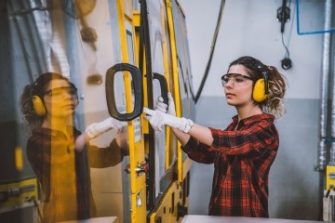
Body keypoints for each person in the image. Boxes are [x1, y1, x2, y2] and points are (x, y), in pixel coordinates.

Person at [143, 56, 286, 217]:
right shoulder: (235, 127)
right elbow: (206, 154)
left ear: (260, 88)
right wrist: (173, 124)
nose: (228, 85)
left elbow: (228, 142)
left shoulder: (264, 129)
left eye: (239, 80)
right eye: (227, 79)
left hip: (248, 218)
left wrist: (180, 122)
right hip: (222, 216)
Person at [20, 72, 128, 222]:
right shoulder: (37, 142)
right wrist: (91, 132)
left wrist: (121, 142)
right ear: (38, 103)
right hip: (60, 218)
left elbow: (100, 159)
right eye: (56, 93)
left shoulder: (73, 134)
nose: (67, 97)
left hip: (86, 215)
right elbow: (64, 157)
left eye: (69, 91)